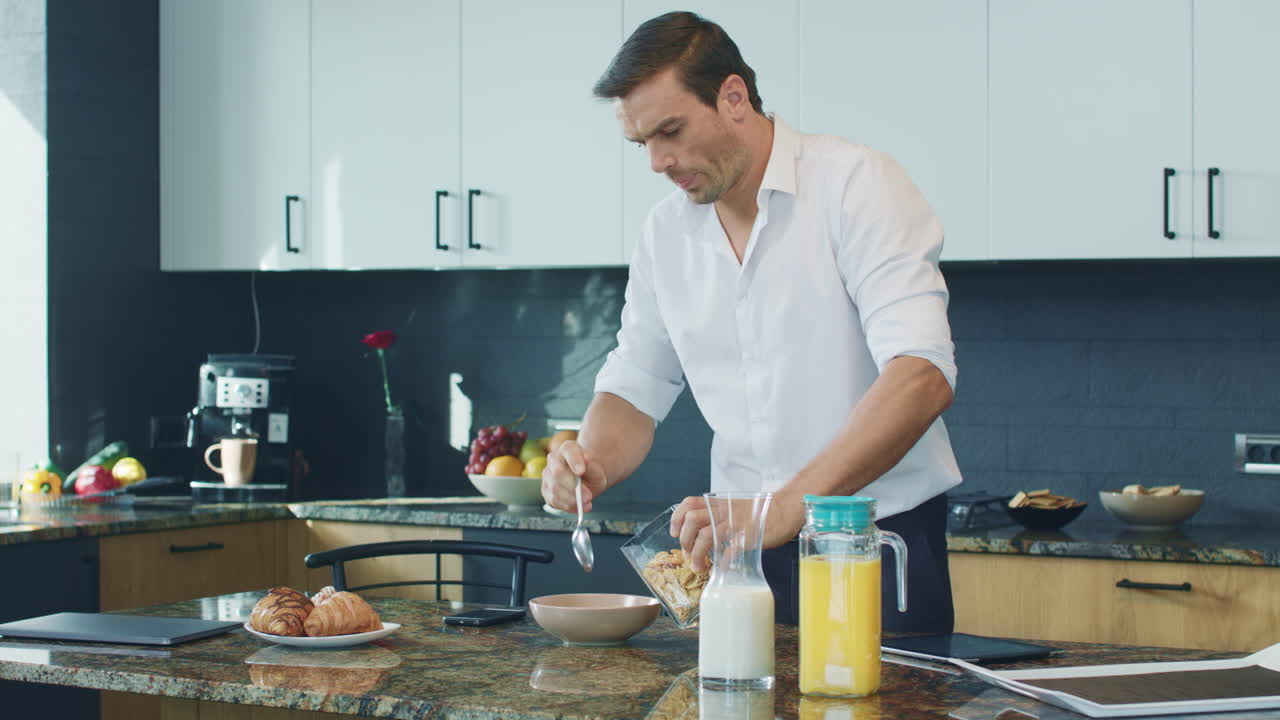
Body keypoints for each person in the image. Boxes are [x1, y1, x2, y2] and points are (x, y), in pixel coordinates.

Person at [541, 11, 963, 633]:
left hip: (872, 546)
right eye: (643, 143)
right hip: (737, 557)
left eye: (671, 130)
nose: (657, 161)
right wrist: (591, 461)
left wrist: (783, 508)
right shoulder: (665, 234)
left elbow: (921, 374)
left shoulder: (857, 185)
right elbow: (634, 382)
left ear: (733, 96)